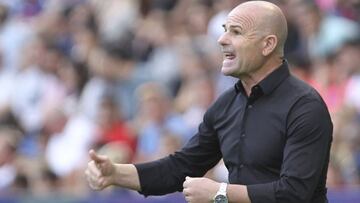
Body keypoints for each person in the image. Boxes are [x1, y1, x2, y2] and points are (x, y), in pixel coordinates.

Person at [85, 1, 333, 203]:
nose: (222, 39)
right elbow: (181, 167)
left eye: (236, 32)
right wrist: (116, 173)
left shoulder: (305, 106)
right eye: (225, 29)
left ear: (268, 44)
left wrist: (220, 193)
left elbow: (294, 193)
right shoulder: (225, 105)